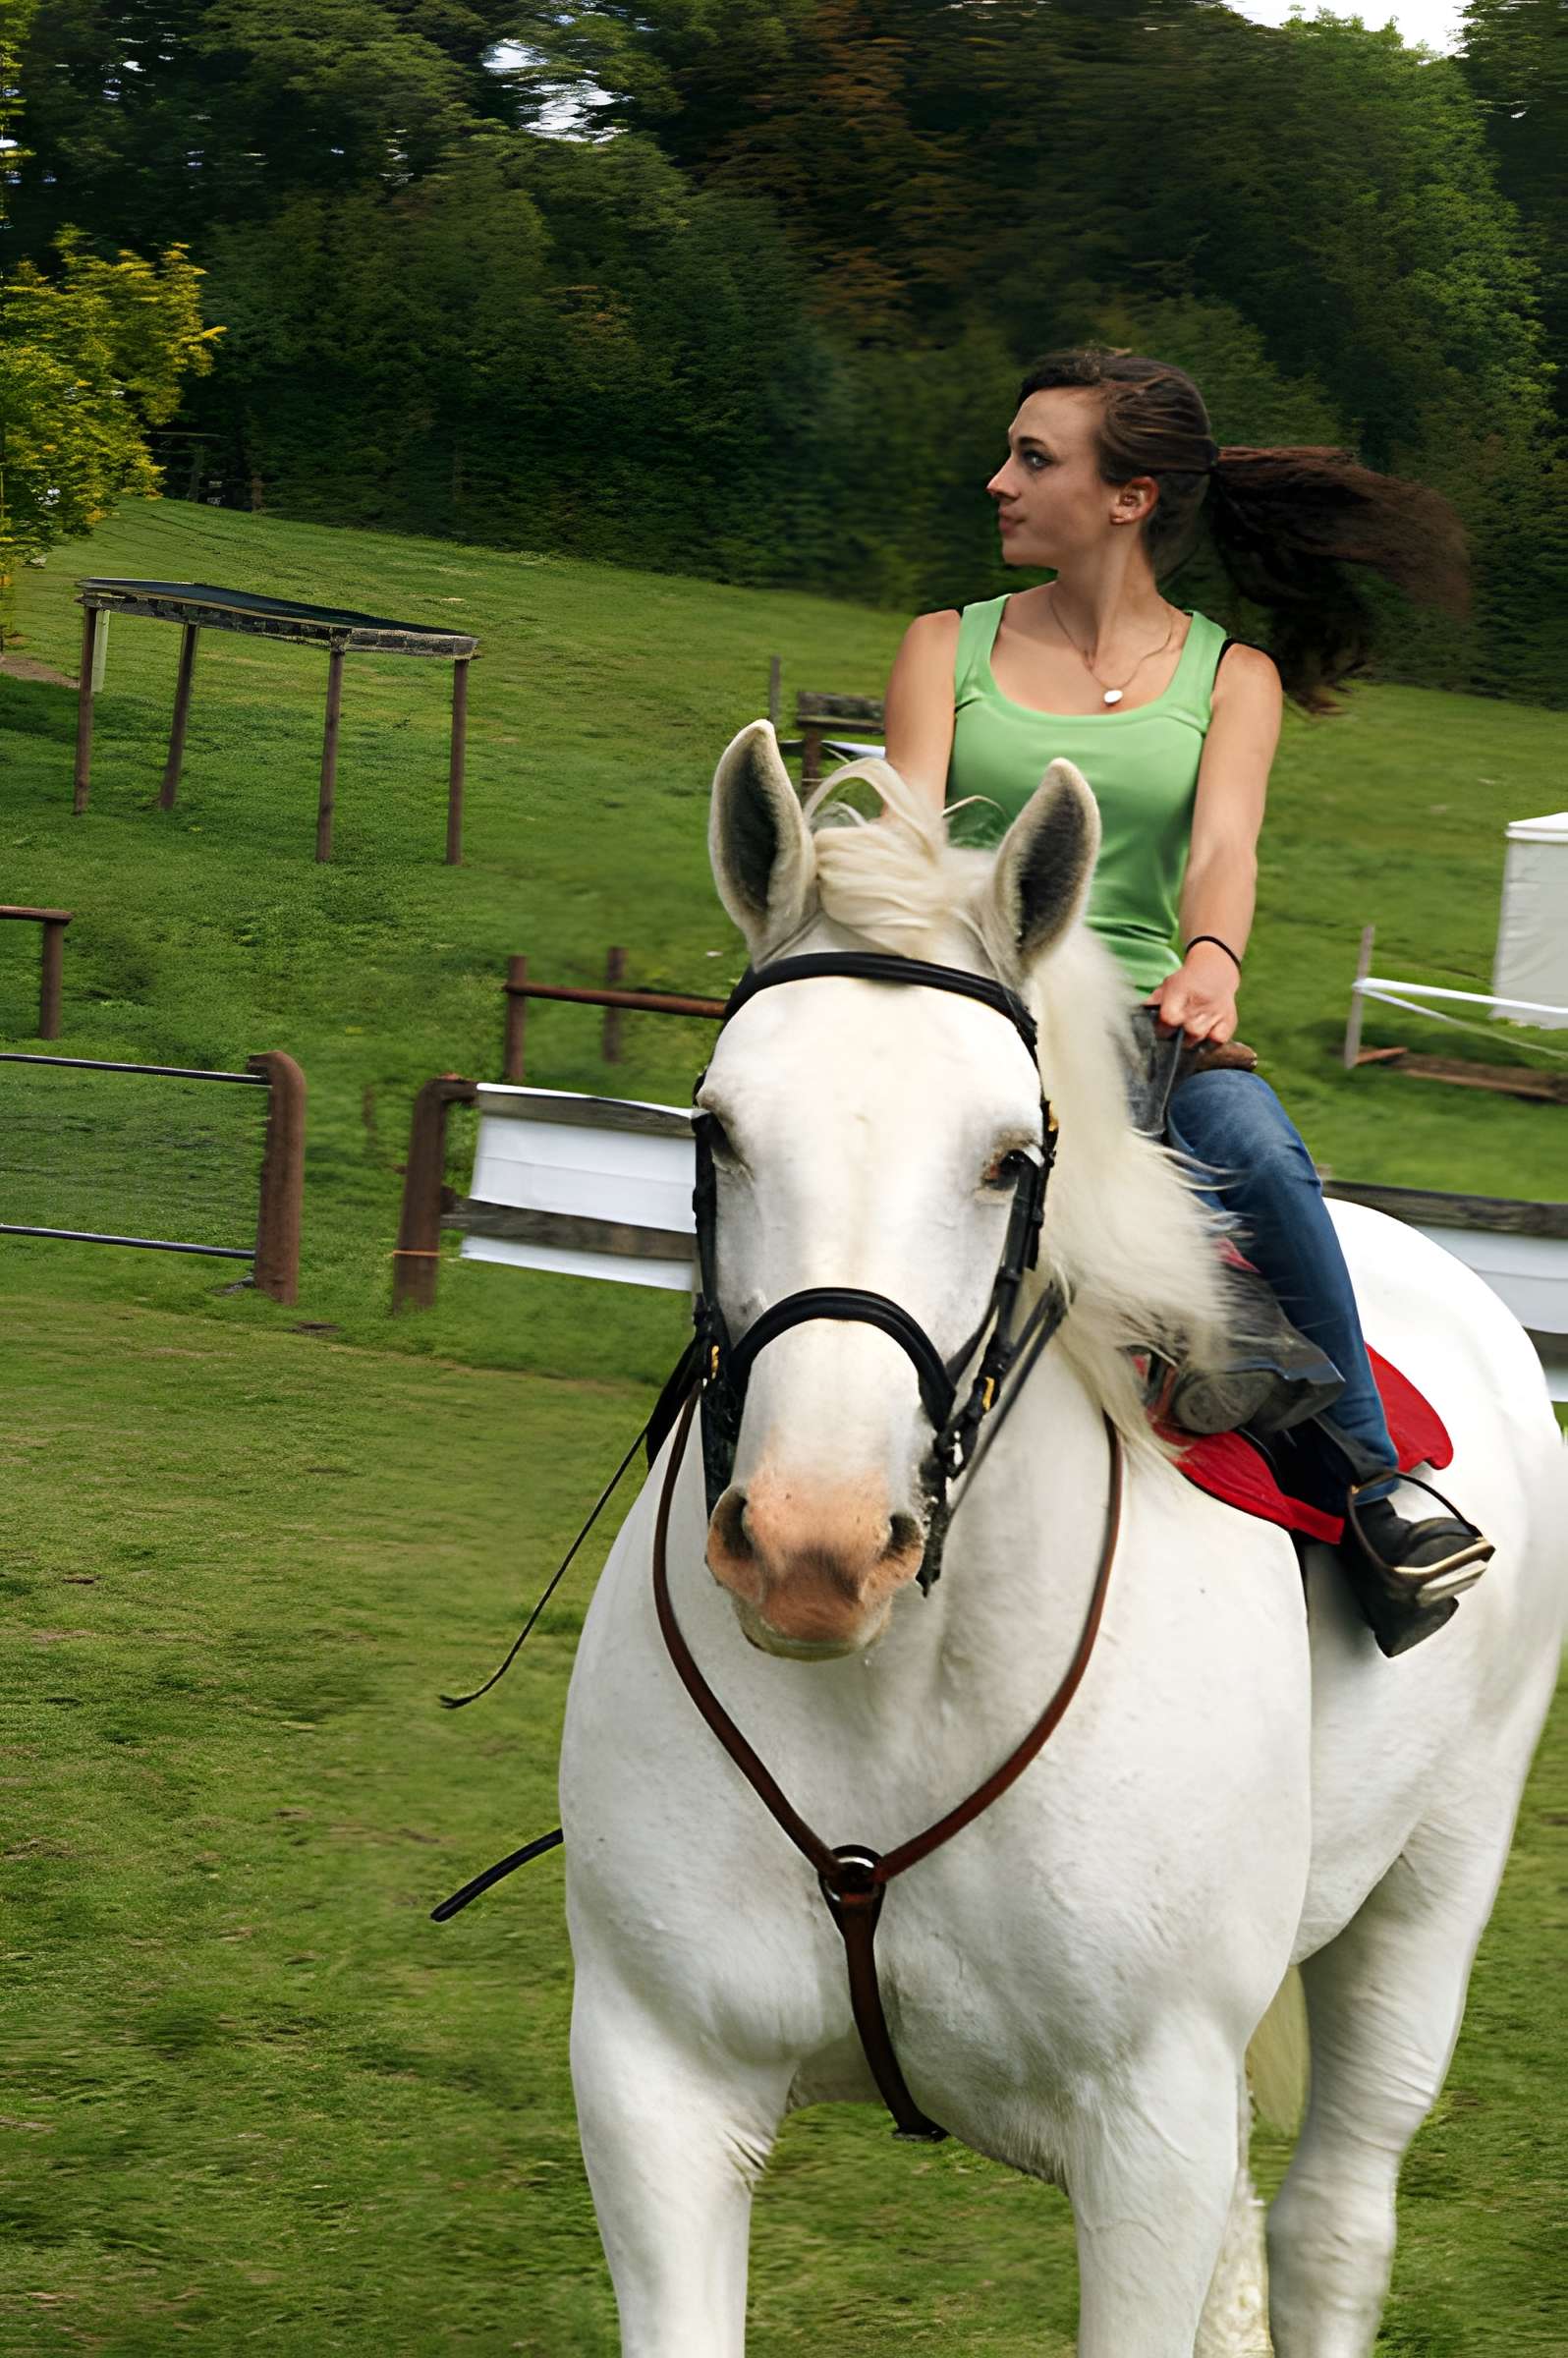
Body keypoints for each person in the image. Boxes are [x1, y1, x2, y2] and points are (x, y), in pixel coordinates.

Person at [880, 345, 1492, 1656]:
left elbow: (1223, 851)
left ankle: (1380, 1493)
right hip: (968, 1010)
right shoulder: (945, 649)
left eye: (1034, 459)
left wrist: (1211, 958)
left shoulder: (1234, 679)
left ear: (1129, 496)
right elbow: (905, 845)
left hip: (1144, 1032)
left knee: (1266, 1160)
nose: (998, 482)